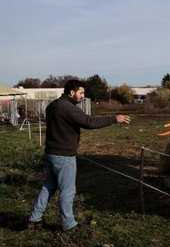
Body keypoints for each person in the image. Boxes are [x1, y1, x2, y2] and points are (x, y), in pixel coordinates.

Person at [28, 79, 131, 231]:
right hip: (64, 156)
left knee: (48, 186)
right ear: (71, 92)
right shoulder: (68, 108)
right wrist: (114, 118)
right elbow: (89, 122)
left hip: (50, 153)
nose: (83, 95)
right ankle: (68, 224)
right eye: (81, 92)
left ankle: (34, 219)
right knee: (68, 191)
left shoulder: (52, 106)